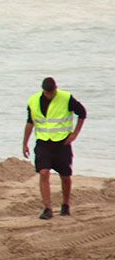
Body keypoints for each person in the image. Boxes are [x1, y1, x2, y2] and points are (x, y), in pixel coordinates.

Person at [22, 77, 87, 219]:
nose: (50, 94)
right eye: (47, 92)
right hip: (43, 142)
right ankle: (48, 209)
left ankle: (65, 205)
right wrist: (25, 143)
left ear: (55, 88)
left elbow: (82, 113)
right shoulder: (33, 100)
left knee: (65, 176)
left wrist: (75, 134)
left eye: (52, 91)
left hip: (62, 143)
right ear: (43, 90)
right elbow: (30, 122)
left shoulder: (66, 98)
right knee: (44, 173)